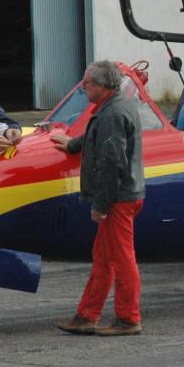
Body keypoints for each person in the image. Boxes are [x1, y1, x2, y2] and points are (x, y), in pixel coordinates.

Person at [52, 61, 146, 337]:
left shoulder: (111, 113)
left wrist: (100, 205)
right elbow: (102, 137)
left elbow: (111, 163)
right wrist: (73, 144)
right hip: (124, 195)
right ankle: (87, 316)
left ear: (102, 85)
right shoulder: (116, 105)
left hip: (118, 199)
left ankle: (128, 319)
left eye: (87, 83)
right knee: (104, 258)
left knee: (122, 259)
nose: (83, 87)